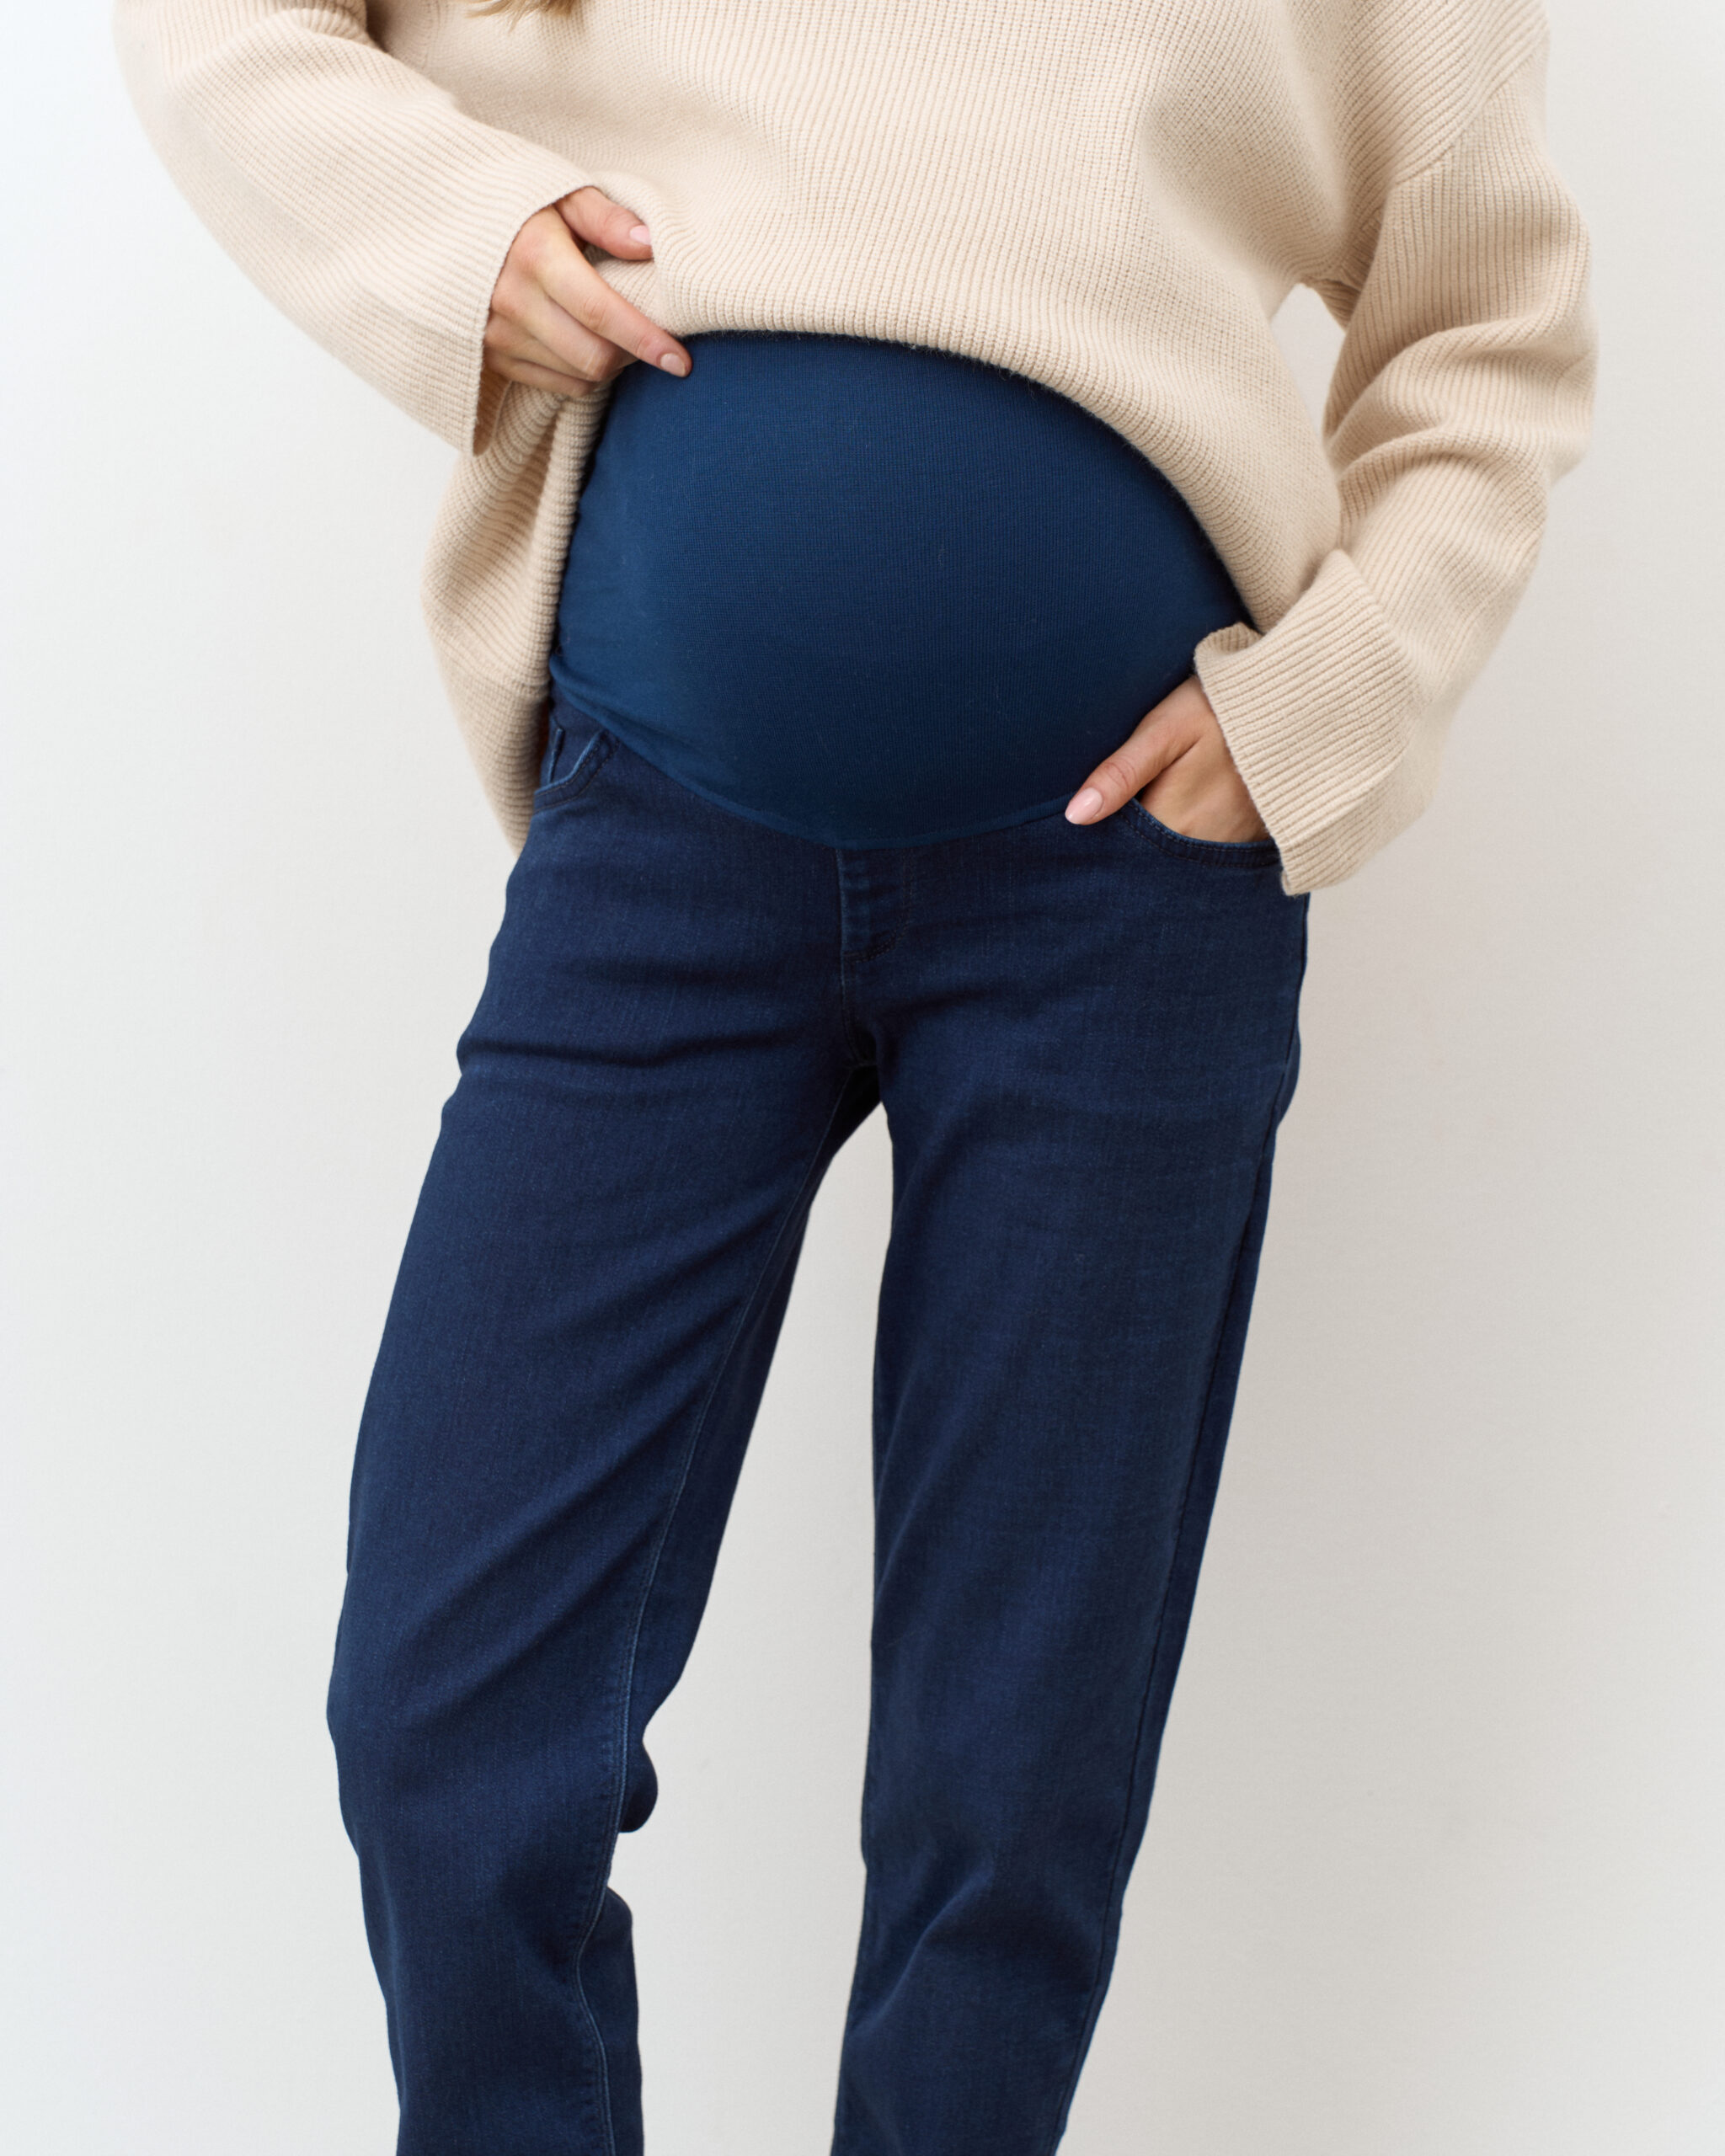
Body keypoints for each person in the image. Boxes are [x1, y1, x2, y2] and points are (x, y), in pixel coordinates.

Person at [115, 1, 1595, 2149]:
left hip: (1124, 896)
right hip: (660, 849)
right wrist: (453, 229)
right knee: (447, 1725)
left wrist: (1341, 689)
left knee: (1010, 1798)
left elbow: (1489, 332)